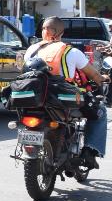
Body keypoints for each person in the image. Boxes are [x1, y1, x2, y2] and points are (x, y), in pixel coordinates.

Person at [24, 16, 106, 168]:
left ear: (43, 31)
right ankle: (89, 152)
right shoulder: (71, 52)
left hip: (37, 100)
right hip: (62, 100)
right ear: (61, 33)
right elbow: (94, 75)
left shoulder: (31, 50)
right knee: (100, 111)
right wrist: (104, 78)